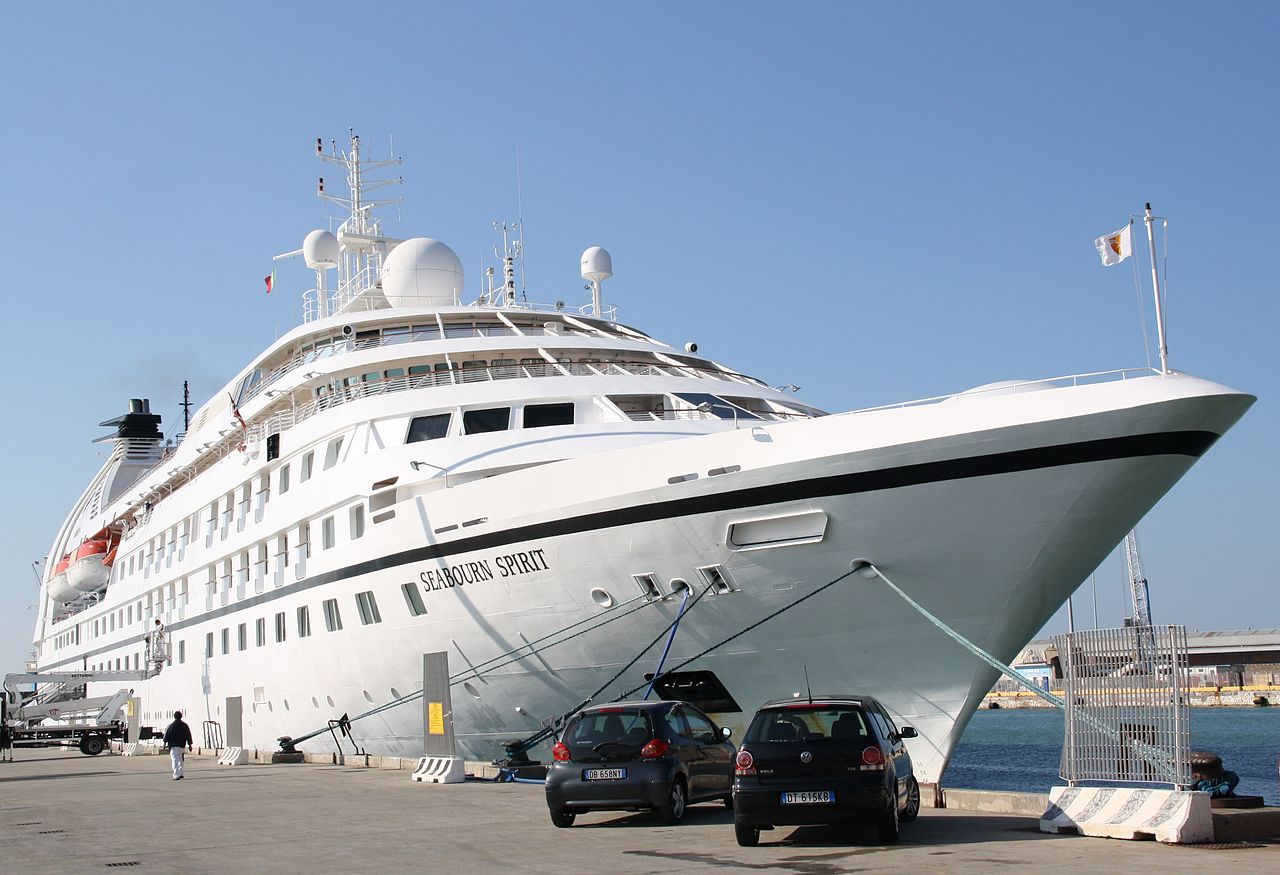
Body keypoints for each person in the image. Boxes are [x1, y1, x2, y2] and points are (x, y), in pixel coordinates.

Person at [163, 711, 193, 780]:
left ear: (174, 717)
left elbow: (167, 735)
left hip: (174, 746)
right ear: (181, 716)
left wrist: (164, 743)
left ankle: (176, 775)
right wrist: (190, 745)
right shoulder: (185, 725)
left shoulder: (171, 725)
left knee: (175, 760)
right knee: (181, 759)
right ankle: (181, 773)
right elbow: (188, 735)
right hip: (182, 746)